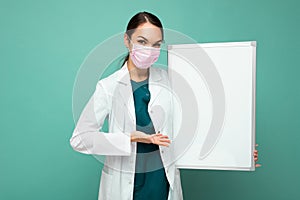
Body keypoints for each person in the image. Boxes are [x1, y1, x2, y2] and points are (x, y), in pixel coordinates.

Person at [70, 11, 260, 200]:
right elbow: (80, 139)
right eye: (142, 42)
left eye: (156, 45)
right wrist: (129, 138)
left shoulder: (170, 80)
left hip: (161, 182)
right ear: (127, 41)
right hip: (125, 186)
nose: (149, 49)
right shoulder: (108, 87)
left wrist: (238, 152)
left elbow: (191, 130)